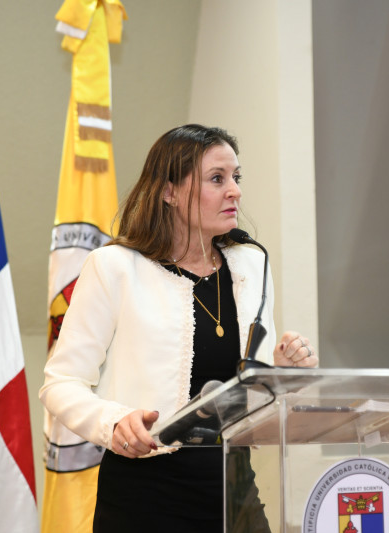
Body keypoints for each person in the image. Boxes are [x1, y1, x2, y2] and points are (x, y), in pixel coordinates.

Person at [40, 124, 318, 532]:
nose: (235, 191)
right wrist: (115, 421)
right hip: (144, 495)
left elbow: (247, 398)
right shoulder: (116, 268)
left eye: (236, 178)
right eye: (217, 179)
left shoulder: (250, 265)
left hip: (233, 488)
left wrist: (281, 372)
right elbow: (60, 383)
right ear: (169, 191)